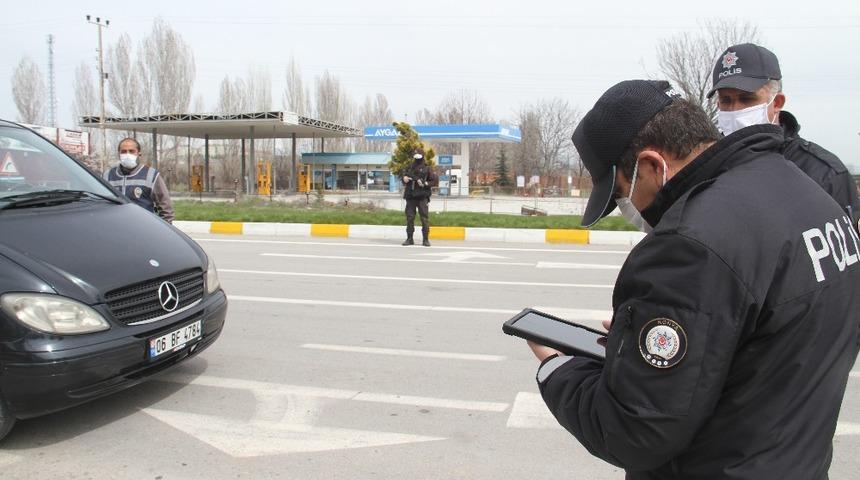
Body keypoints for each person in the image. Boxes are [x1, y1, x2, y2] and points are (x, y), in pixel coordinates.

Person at [525, 79, 860, 479]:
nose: (625, 208)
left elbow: (634, 430)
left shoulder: (687, 246)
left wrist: (558, 371)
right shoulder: (806, 190)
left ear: (652, 165)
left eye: (620, 193)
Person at [709, 43, 860, 227]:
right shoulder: (710, 169)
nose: (735, 109)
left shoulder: (824, 173)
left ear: (777, 102)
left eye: (747, 98)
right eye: (726, 100)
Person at [103, 137, 174, 223]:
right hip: (116, 226)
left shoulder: (151, 175)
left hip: (143, 227)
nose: (127, 154)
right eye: (124, 151)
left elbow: (165, 206)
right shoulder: (107, 175)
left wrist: (164, 230)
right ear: (119, 153)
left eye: (131, 151)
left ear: (139, 153)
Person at [401, 147, 437, 246]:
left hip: (422, 197)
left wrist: (425, 183)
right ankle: (409, 238)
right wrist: (404, 179)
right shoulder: (409, 167)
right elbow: (403, 177)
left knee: (424, 218)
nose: (417, 158)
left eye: (419, 156)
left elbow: (434, 181)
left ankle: (425, 239)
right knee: (410, 218)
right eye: (415, 156)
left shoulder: (427, 168)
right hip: (410, 196)